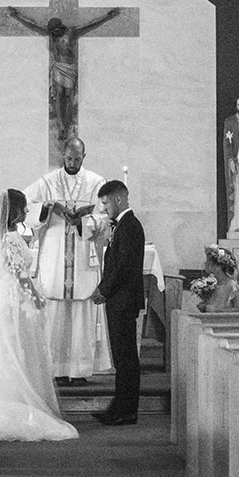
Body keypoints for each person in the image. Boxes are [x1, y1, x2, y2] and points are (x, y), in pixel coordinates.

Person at [0, 189, 78, 442]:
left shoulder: (2, 236)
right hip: (16, 295)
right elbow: (20, 273)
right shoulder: (11, 238)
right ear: (16, 210)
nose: (28, 211)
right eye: (25, 207)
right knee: (17, 346)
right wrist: (37, 297)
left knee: (5, 347)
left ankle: (4, 398)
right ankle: (16, 401)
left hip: (5, 295)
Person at [23, 135, 112, 380]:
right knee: (55, 312)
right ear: (63, 155)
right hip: (55, 254)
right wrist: (47, 208)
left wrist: (83, 221)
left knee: (82, 312)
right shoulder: (47, 182)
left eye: (77, 158)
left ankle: (80, 369)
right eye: (69, 158)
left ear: (84, 156)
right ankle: (56, 369)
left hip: (83, 255)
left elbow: (106, 217)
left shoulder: (96, 183)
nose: (72, 162)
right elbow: (23, 205)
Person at [7, 5, 121, 144]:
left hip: (70, 68)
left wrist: (108, 16)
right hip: (59, 67)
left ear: (61, 27)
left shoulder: (72, 32)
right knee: (59, 94)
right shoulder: (51, 34)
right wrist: (17, 15)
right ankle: (61, 128)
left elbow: (91, 24)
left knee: (68, 95)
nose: (54, 34)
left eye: (55, 31)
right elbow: (33, 25)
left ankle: (66, 126)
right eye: (52, 32)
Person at [91, 179, 146, 425]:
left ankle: (127, 410)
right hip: (118, 300)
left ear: (118, 200)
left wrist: (104, 290)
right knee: (121, 357)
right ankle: (118, 406)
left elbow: (123, 266)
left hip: (123, 300)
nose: (103, 209)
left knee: (126, 357)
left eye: (105, 203)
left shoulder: (130, 226)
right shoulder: (121, 225)